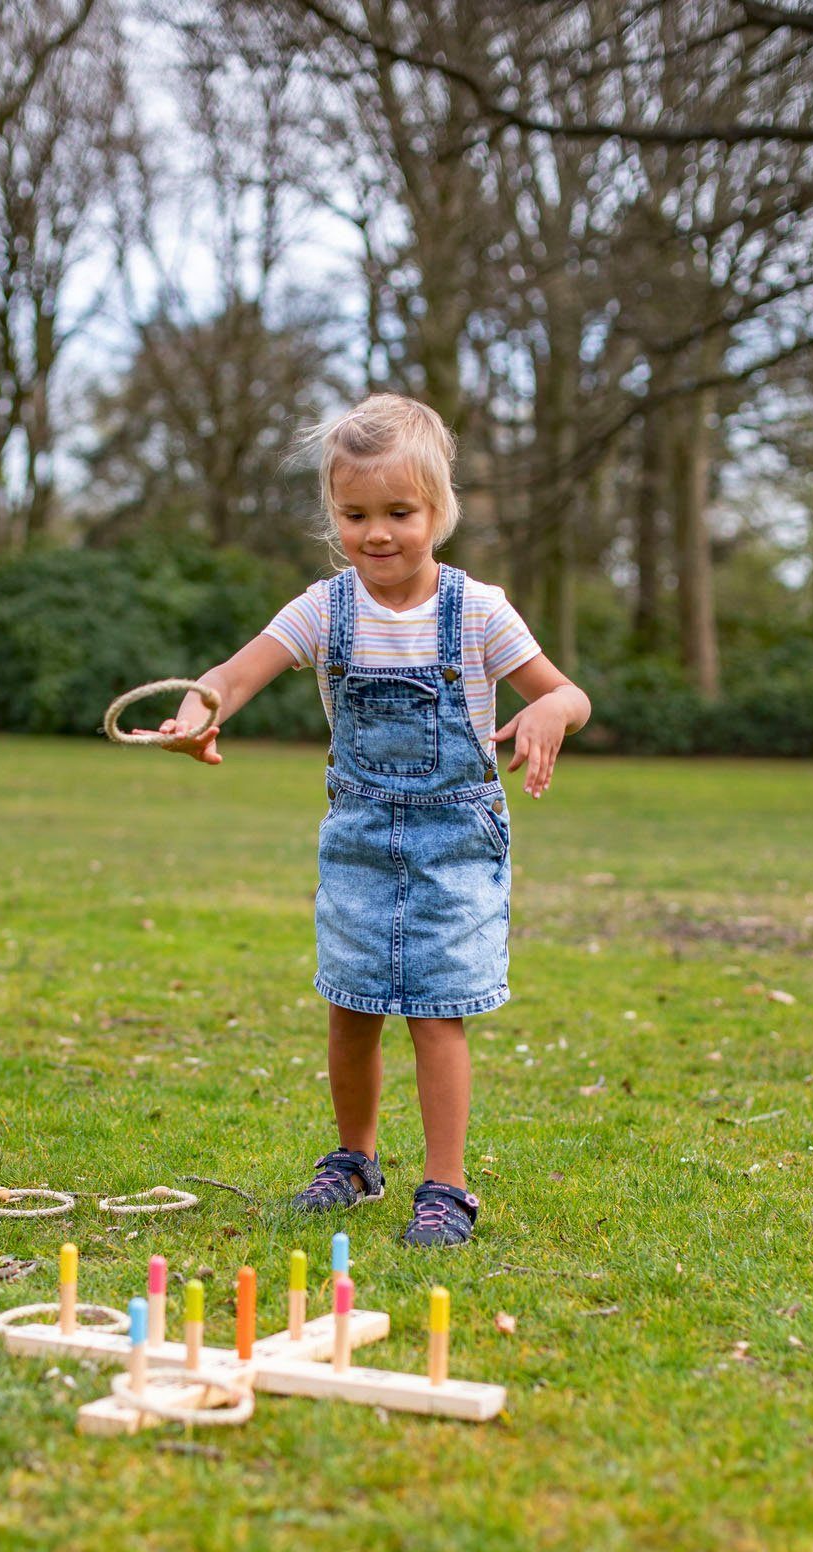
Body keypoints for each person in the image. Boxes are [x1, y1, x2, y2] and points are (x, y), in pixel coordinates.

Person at [157, 393, 590, 1248]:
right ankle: (354, 1161)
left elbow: (566, 692)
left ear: (439, 511)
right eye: (355, 514)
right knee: (350, 1004)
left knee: (436, 1008)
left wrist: (549, 715)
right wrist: (195, 712)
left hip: (455, 844)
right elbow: (233, 676)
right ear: (333, 515)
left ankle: (447, 1187)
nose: (377, 532)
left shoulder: (478, 610)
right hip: (358, 837)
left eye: (400, 512)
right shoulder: (325, 609)